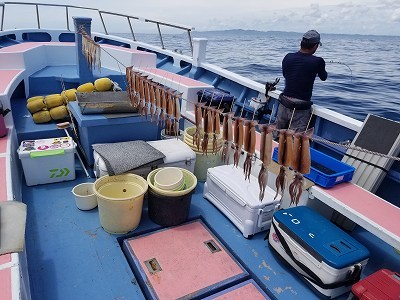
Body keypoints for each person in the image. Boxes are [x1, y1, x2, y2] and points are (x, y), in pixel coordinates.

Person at [276, 29, 328, 132]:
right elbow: (324, 77)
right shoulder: (318, 61)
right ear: (315, 46)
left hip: (284, 102)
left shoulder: (288, 57)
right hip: (301, 107)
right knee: (295, 139)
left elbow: (286, 75)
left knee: (277, 134)